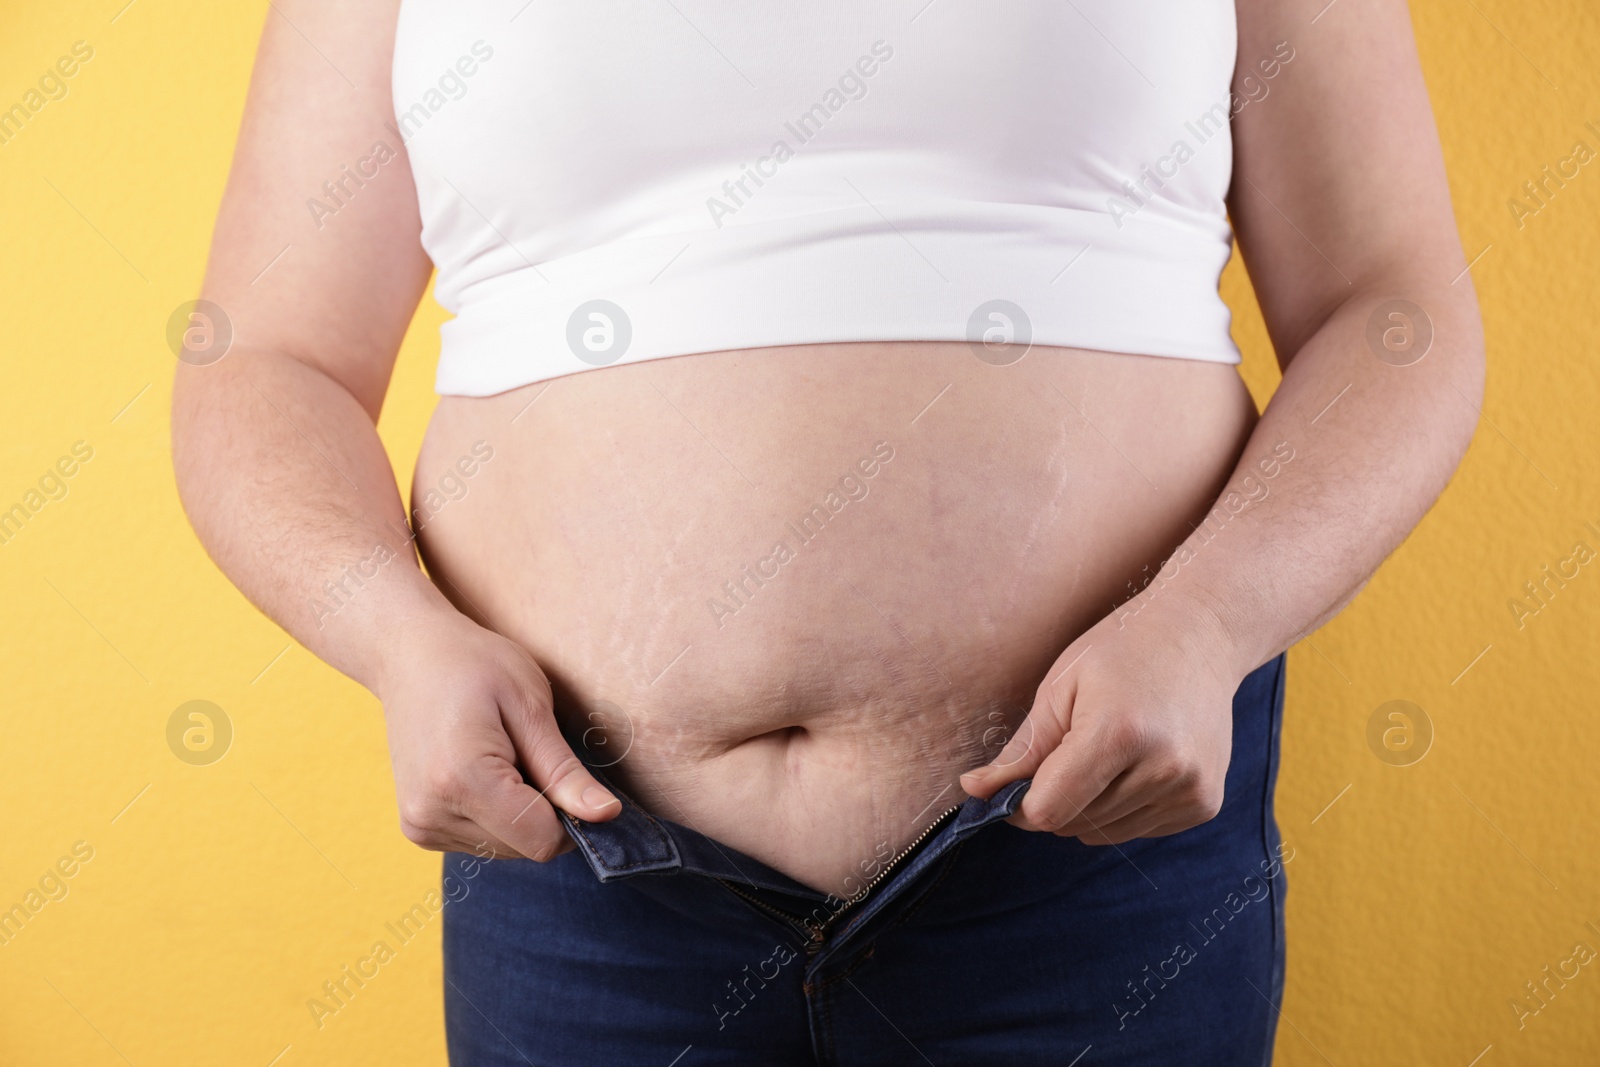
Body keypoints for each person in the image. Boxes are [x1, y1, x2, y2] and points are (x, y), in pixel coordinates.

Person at [171, 0, 1483, 1062]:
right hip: (582, 867)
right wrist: (392, 640)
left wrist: (1213, 624)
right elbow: (262, 360)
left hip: (1087, 856)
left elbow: (1392, 310)